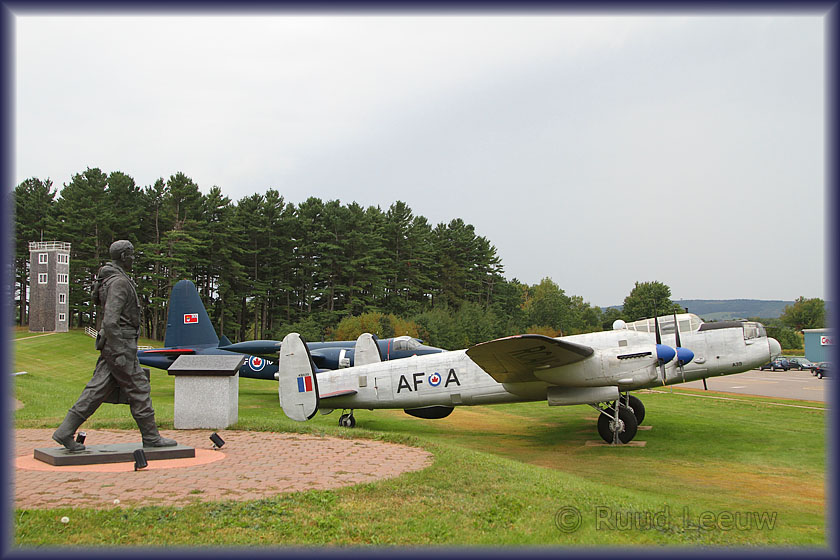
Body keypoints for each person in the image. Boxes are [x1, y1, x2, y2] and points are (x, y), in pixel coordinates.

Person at [52, 240, 177, 451]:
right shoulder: (118, 282)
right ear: (123, 256)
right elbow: (110, 321)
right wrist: (120, 350)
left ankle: (64, 431)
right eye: (132, 255)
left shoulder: (110, 279)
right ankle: (151, 438)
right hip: (120, 343)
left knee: (97, 390)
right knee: (139, 388)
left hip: (115, 343)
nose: (134, 259)